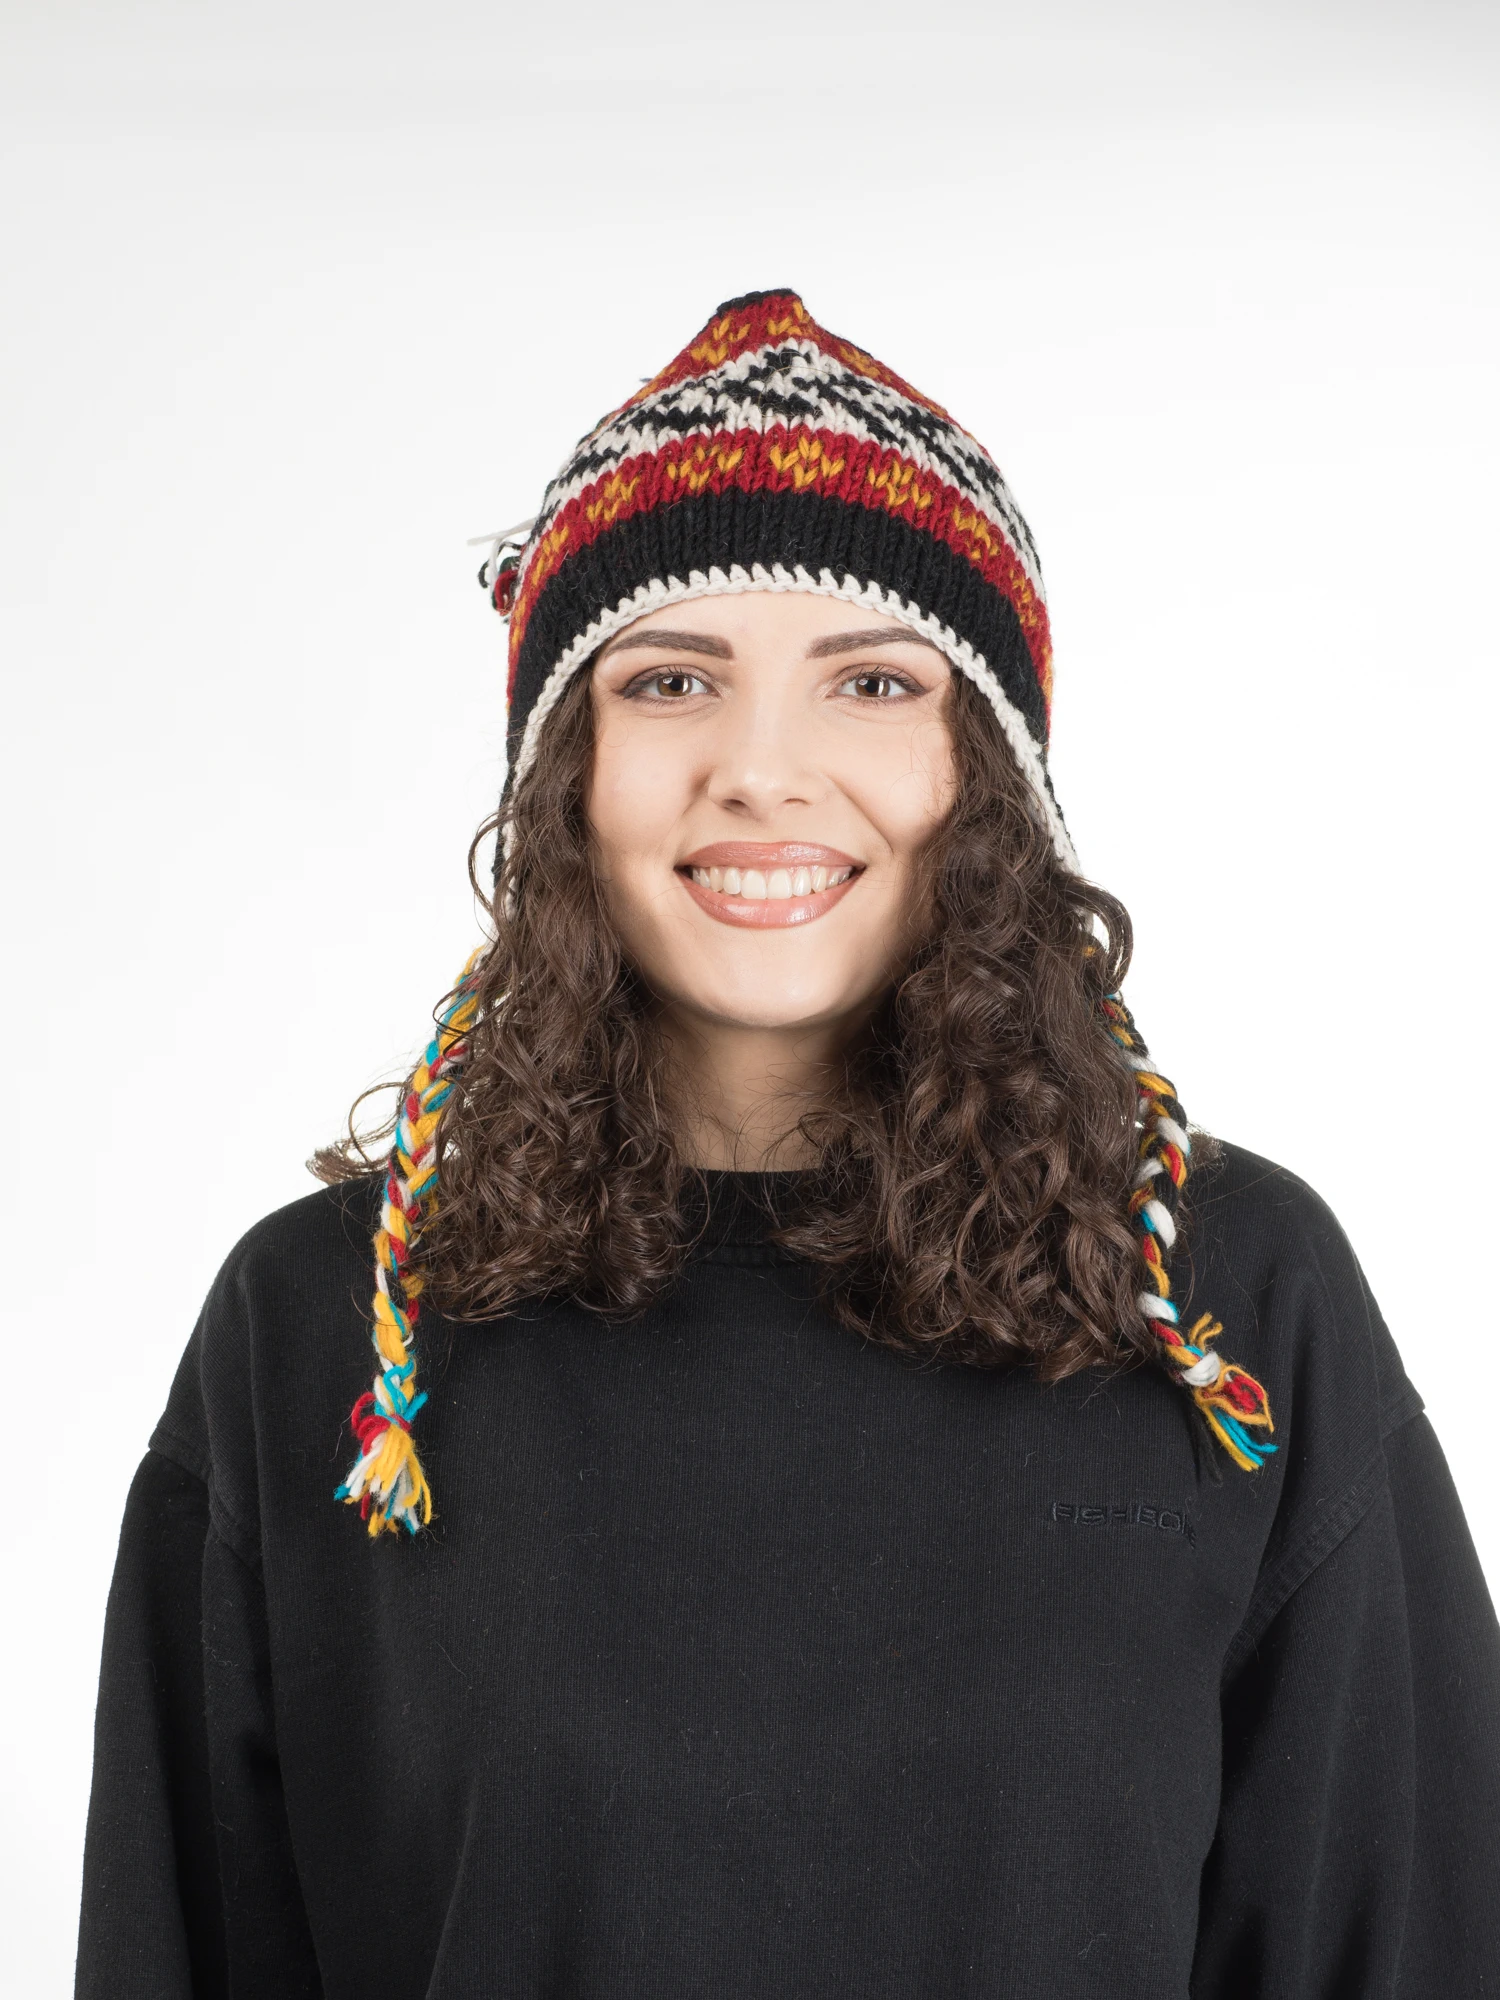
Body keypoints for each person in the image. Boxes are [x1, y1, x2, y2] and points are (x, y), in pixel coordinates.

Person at [76, 289, 1500, 1999]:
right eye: (673, 681)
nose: (762, 771)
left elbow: (1410, 1942)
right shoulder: (325, 1331)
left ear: (988, 775)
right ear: (565, 775)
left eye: (872, 682)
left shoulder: (1221, 1303)